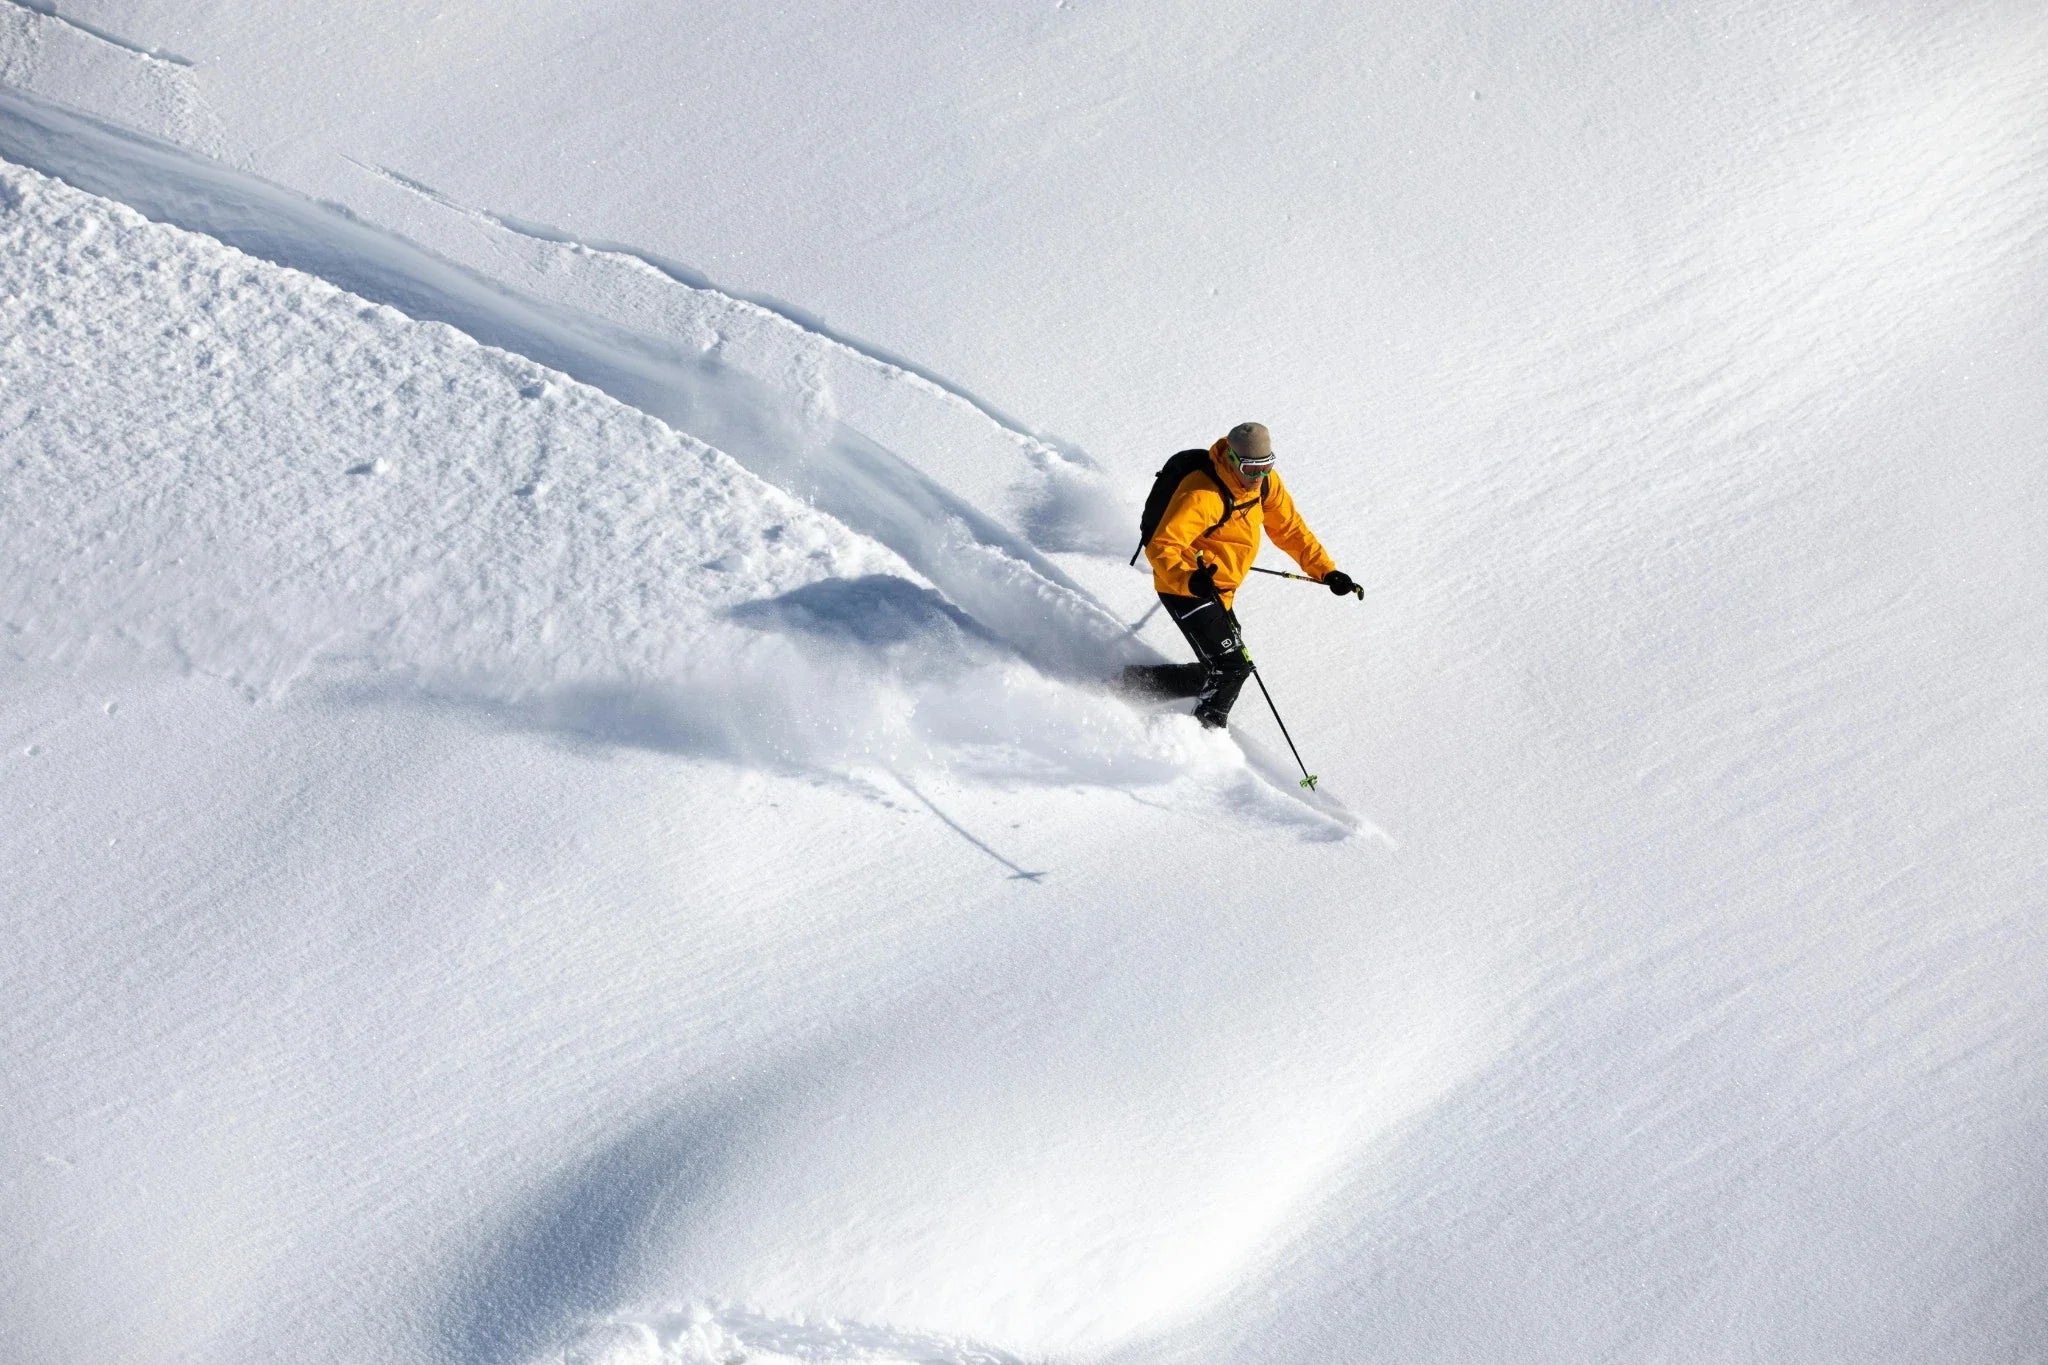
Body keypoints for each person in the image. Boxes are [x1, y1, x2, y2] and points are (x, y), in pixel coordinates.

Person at [1125, 421, 1356, 728]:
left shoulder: (1265, 484)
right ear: (1233, 460)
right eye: (1251, 469)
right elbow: (1162, 546)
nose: (1258, 477)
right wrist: (1189, 578)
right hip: (1186, 587)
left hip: (1221, 590)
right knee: (1232, 667)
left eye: (1267, 466)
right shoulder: (1202, 494)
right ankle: (1204, 736)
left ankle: (1134, 684)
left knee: (1220, 664)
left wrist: (1326, 571)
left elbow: (1289, 529)